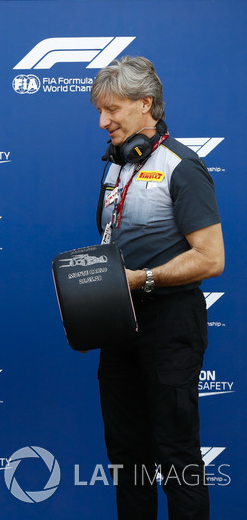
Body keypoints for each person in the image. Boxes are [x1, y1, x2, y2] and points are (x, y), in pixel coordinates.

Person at [91, 57, 225, 520]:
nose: (103, 121)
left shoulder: (181, 166)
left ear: (145, 104)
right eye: (100, 112)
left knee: (176, 452)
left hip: (169, 323)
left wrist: (143, 278)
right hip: (119, 324)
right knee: (127, 457)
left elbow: (211, 258)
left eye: (112, 110)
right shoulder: (116, 166)